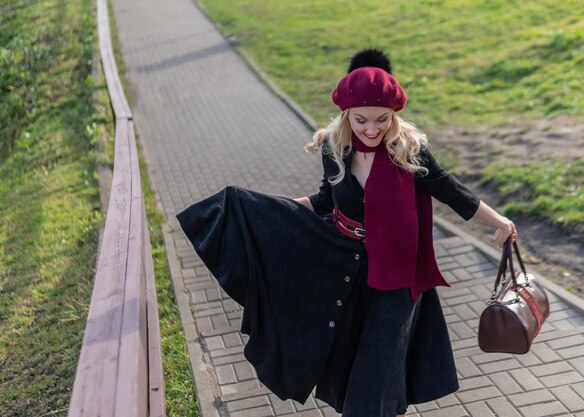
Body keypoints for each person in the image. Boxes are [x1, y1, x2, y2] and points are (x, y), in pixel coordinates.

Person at [177, 48, 516, 417]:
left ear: (395, 115)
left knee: (379, 367)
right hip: (346, 268)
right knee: (359, 366)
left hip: (397, 277)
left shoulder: (410, 151)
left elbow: (452, 192)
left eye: (382, 120)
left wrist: (500, 222)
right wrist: (277, 210)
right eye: (361, 121)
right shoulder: (334, 148)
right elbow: (326, 201)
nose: (372, 130)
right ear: (346, 115)